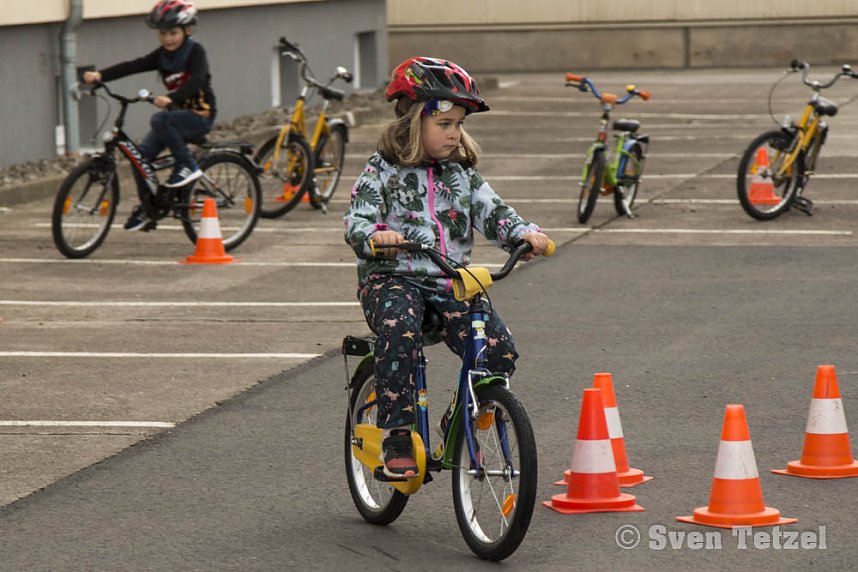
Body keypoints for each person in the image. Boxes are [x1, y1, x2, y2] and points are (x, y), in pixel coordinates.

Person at [343, 57, 551, 480]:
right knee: (400, 327)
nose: (455, 133)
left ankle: (458, 417)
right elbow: (358, 220)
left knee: (499, 349)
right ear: (413, 122)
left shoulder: (463, 176)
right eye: (445, 124)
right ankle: (397, 433)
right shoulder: (382, 172)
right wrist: (373, 235)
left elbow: (495, 213)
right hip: (392, 278)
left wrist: (524, 234)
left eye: (459, 124)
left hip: (448, 281)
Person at [82, 0, 216, 232]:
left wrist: (172, 98)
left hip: (199, 116)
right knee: (140, 158)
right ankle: (149, 208)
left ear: (188, 30)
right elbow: (133, 65)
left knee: (159, 118)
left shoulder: (196, 51)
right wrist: (100, 75)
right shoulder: (162, 55)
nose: (167, 39)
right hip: (175, 118)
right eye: (162, 33)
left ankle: (187, 165)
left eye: (173, 33)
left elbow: (196, 82)